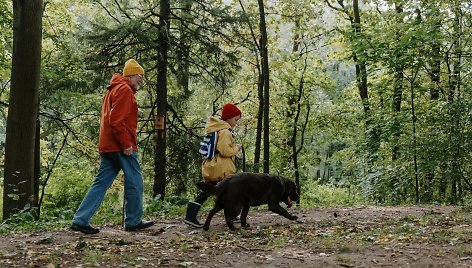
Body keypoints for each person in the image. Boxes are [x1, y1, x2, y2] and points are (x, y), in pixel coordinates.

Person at [70, 59, 154, 234]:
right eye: (140, 75)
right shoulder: (124, 90)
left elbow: (111, 119)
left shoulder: (114, 89)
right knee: (135, 181)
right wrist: (126, 144)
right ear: (131, 75)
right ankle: (133, 221)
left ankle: (80, 220)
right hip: (120, 146)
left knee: (101, 183)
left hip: (108, 145)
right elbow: (116, 121)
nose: (141, 79)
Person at [184, 103, 242, 227]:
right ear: (228, 118)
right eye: (235, 119)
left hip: (211, 166)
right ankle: (232, 215)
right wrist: (236, 148)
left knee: (206, 191)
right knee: (230, 191)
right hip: (221, 168)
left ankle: (190, 215)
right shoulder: (225, 131)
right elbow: (225, 151)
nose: (236, 122)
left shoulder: (214, 129)